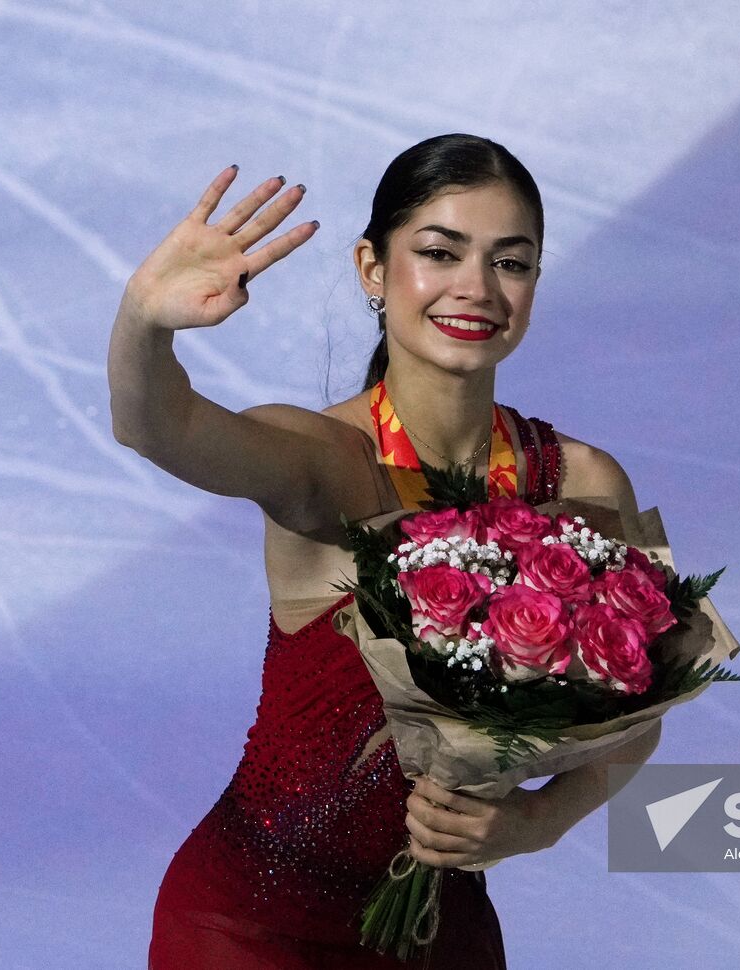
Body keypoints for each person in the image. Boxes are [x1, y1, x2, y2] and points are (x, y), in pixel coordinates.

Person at [108, 133, 663, 968]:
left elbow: (635, 722)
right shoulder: (324, 460)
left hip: (441, 931)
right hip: (250, 929)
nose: (475, 288)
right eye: (440, 253)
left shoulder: (580, 483)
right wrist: (144, 324)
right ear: (373, 268)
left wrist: (536, 823)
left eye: (510, 263)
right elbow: (159, 426)